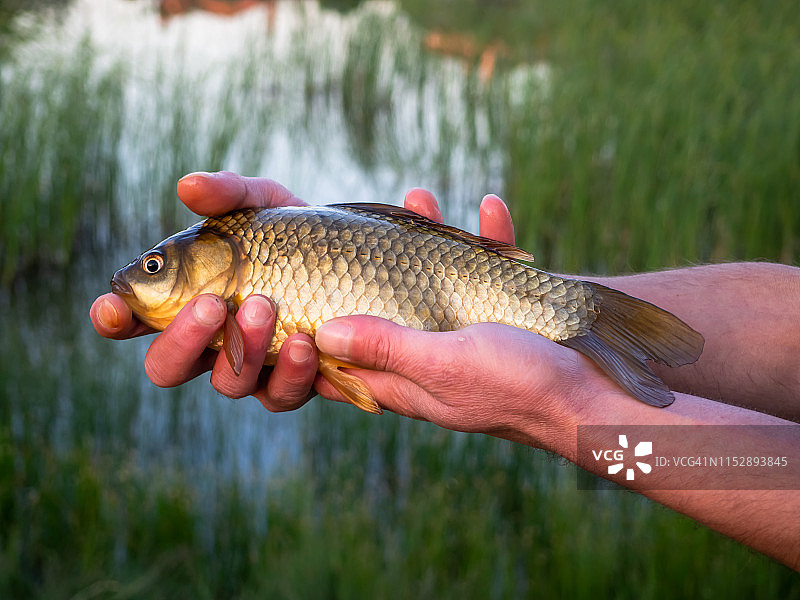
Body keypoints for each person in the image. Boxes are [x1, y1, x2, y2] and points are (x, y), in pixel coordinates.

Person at [90, 171, 800, 571]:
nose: (144, 277)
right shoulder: (245, 253)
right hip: (441, 283)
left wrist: (564, 410)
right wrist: (542, 337)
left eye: (157, 266)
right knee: (569, 313)